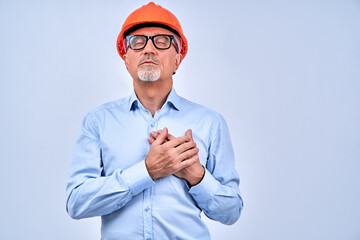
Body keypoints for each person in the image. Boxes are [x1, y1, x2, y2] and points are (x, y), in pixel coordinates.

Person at [66, 2, 243, 240]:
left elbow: (231, 212)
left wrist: (196, 175)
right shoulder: (98, 122)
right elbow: (76, 203)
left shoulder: (210, 123)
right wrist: (147, 171)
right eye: (138, 42)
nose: (149, 49)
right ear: (126, 59)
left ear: (177, 60)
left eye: (161, 41)